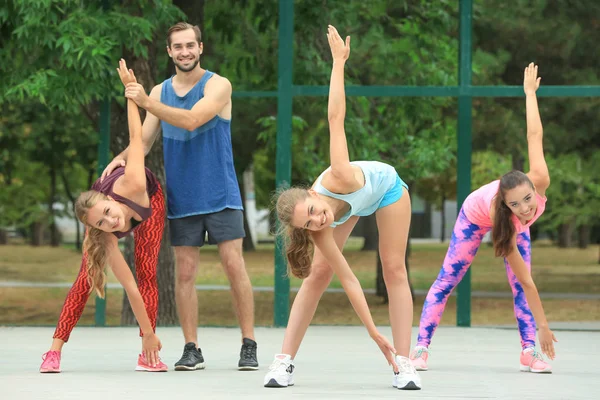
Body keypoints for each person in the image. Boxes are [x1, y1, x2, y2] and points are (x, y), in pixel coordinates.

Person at [263, 25, 421, 390]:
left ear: (314, 195)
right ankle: (283, 361)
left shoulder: (338, 175)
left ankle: (404, 362)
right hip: (356, 208)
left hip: (387, 190)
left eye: (315, 211)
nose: (320, 220)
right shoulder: (319, 230)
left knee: (394, 268)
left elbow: (336, 118)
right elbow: (349, 280)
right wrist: (372, 334)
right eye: (311, 224)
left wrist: (338, 63)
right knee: (319, 276)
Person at [101, 22, 258, 371]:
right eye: (178, 47)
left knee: (235, 267)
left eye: (191, 45)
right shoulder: (159, 92)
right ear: (170, 52)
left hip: (221, 193)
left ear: (201, 48)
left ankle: (249, 343)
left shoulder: (218, 85)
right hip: (182, 198)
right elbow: (143, 140)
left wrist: (144, 101)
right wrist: (124, 156)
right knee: (184, 273)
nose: (185, 51)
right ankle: (192, 348)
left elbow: (191, 120)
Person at [410, 63, 558, 374]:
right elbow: (530, 283)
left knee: (517, 285)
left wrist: (529, 93)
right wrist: (545, 325)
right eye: (516, 204)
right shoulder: (503, 219)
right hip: (473, 217)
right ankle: (421, 348)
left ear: (535, 188)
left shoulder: (539, 178)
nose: (526, 208)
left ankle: (528, 352)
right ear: (506, 205)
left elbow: (535, 135)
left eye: (528, 199)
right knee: (447, 281)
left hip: (504, 218)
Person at [40, 60, 167, 373]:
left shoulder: (134, 181)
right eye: (101, 223)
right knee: (86, 277)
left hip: (149, 201)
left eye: (108, 214)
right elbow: (129, 289)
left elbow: (136, 137)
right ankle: (53, 351)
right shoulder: (103, 233)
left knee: (148, 271)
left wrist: (129, 93)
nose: (112, 222)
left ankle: (147, 354)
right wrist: (101, 227)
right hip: (105, 214)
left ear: (111, 199)